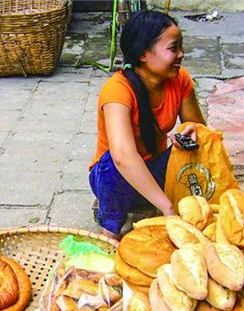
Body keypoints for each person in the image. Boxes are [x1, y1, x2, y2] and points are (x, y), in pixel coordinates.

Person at [88, 10, 206, 239]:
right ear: (143, 54)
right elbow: (123, 156)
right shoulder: (117, 91)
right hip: (112, 178)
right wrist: (167, 208)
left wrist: (193, 132)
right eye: (173, 48)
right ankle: (109, 233)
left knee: (197, 153)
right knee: (114, 161)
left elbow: (201, 128)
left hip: (155, 168)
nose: (181, 54)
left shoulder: (180, 79)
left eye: (181, 47)